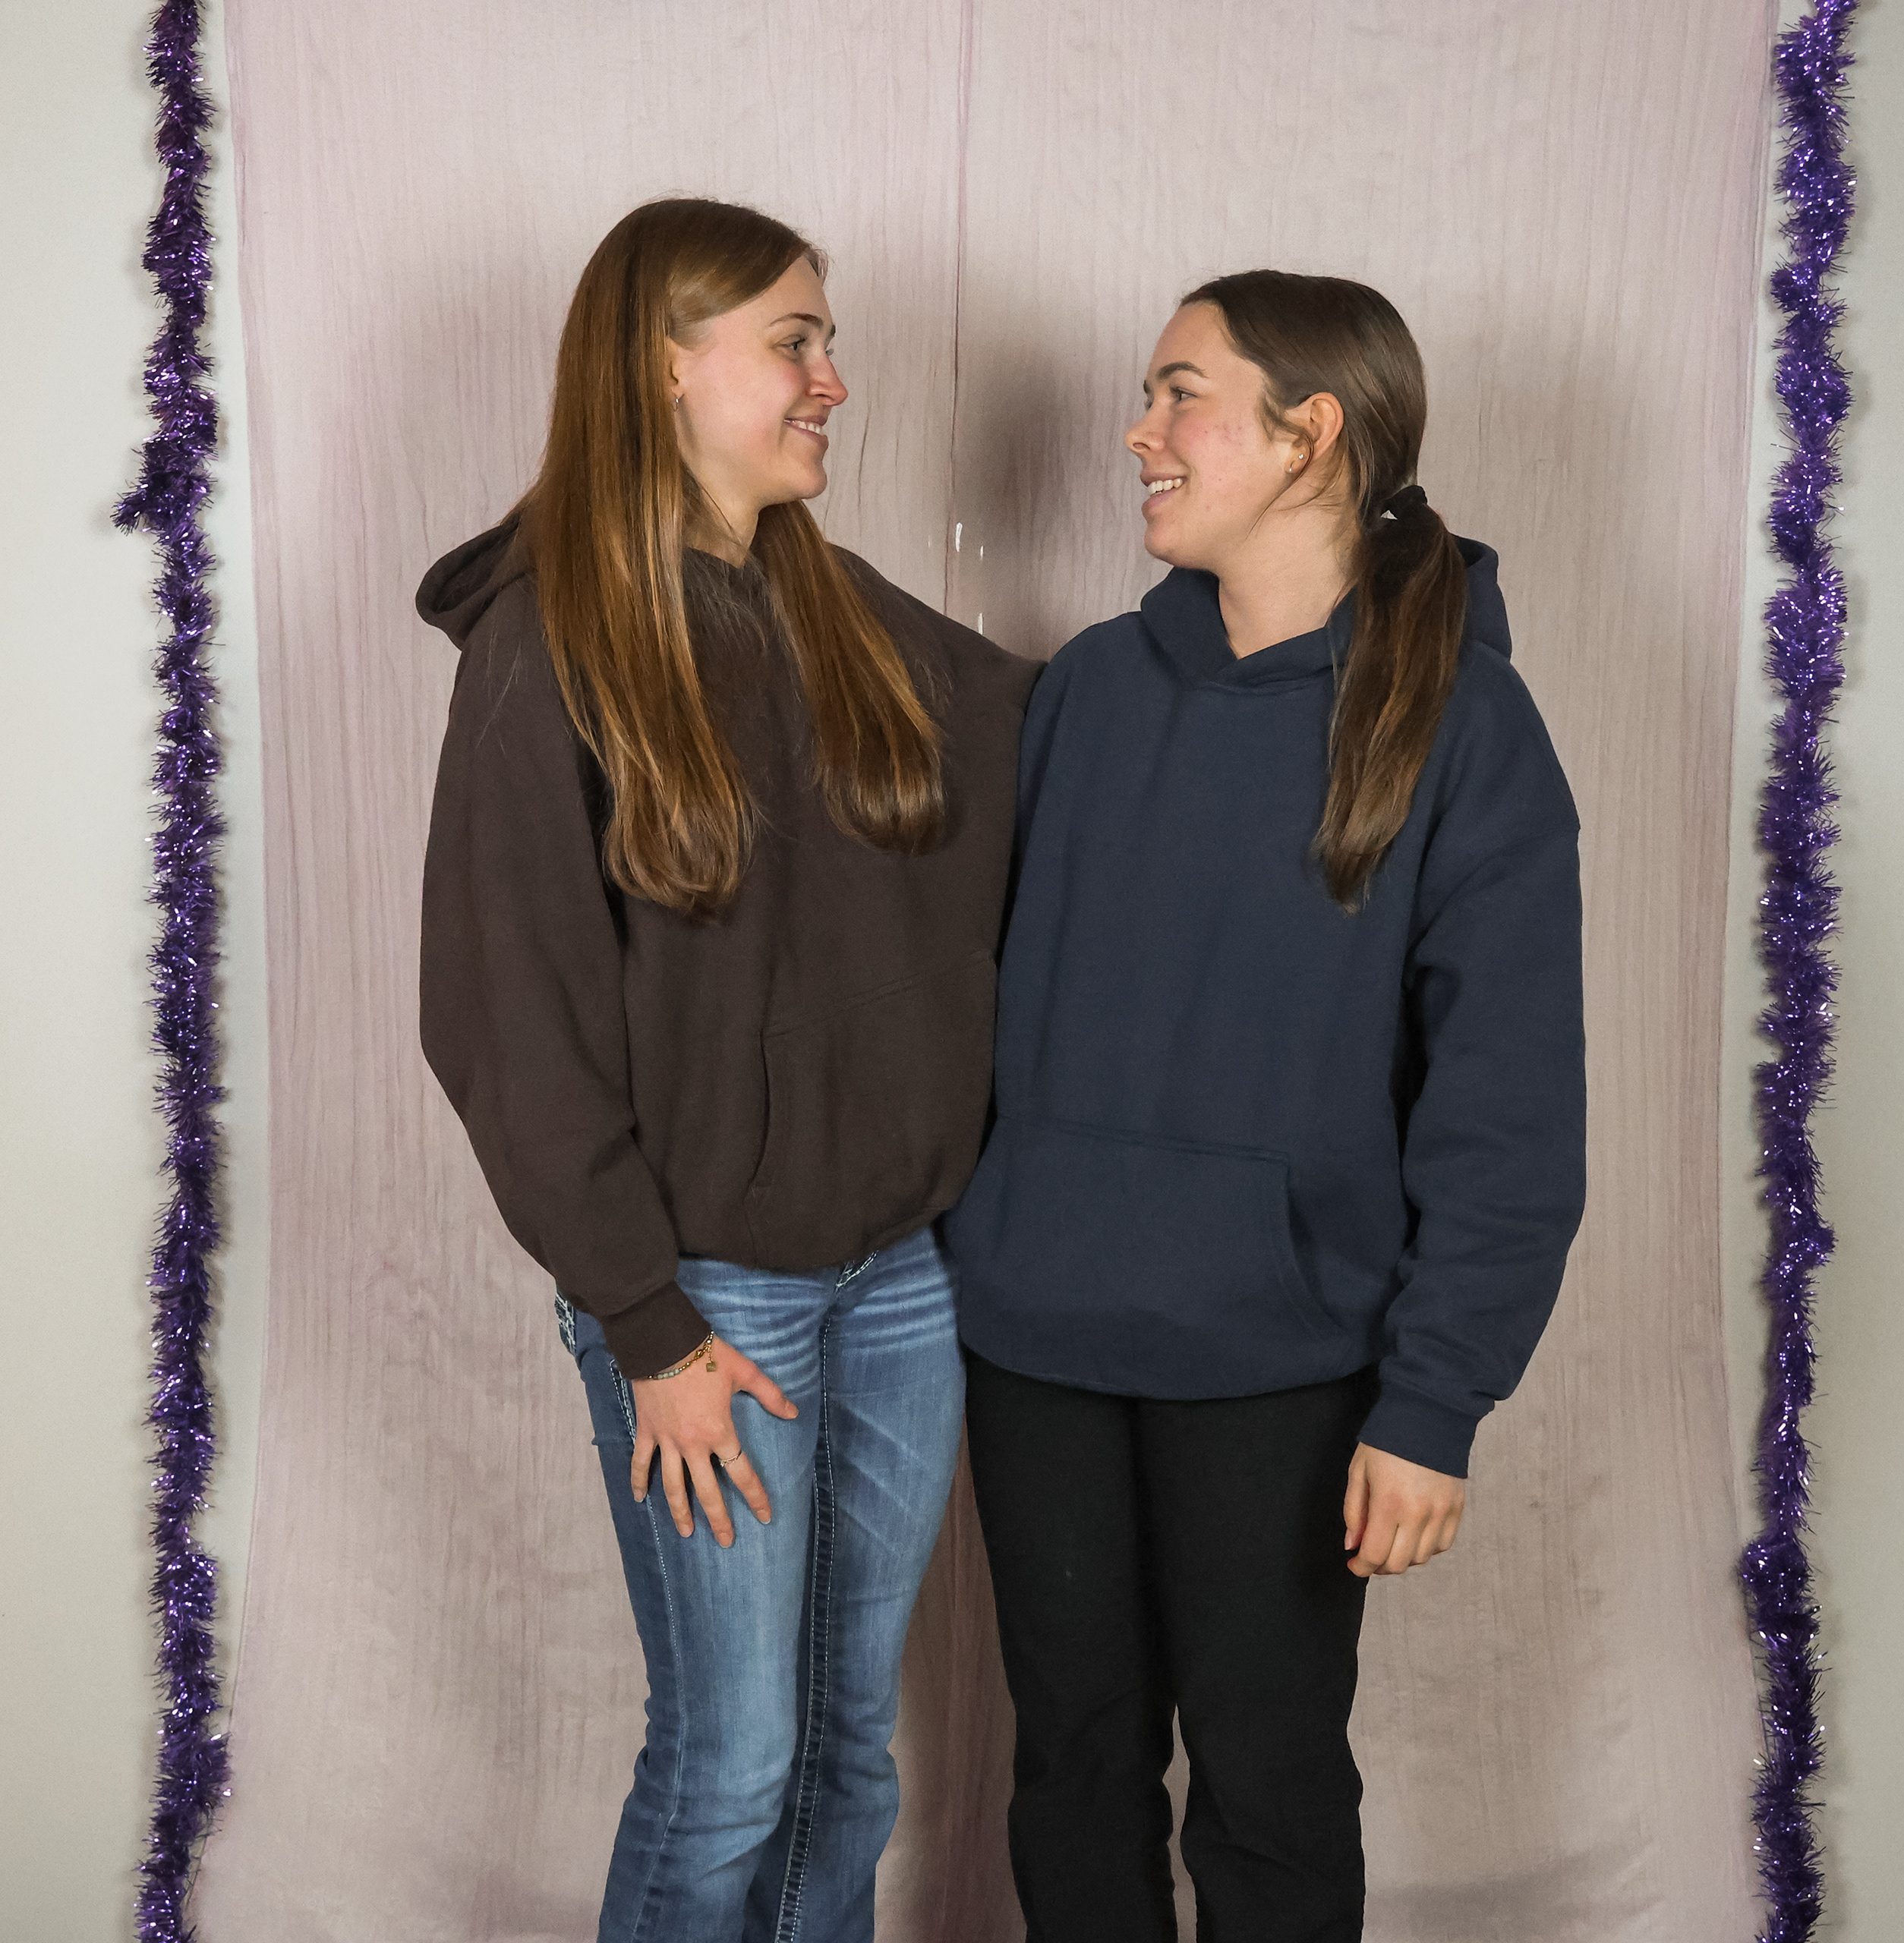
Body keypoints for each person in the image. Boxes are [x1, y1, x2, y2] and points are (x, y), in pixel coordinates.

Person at [415, 197, 1036, 1943]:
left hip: (900, 1279)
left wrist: (1284, 624)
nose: (833, 379)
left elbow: (1054, 737)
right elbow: (505, 1017)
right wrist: (650, 1325)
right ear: (665, 367)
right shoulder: (550, 649)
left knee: (849, 1759)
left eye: (829, 342)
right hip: (709, 1303)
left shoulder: (831, 606)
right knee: (734, 1760)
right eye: (794, 342)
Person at [941, 271, 1587, 1942]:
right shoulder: (1087, 688)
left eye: (1181, 393)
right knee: (1071, 1769)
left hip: (1284, 1361)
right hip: (1038, 1337)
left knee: (1270, 1780)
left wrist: (1434, 1398)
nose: (1137, 432)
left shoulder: (1462, 724)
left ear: (1312, 435)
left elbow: (1508, 1111)